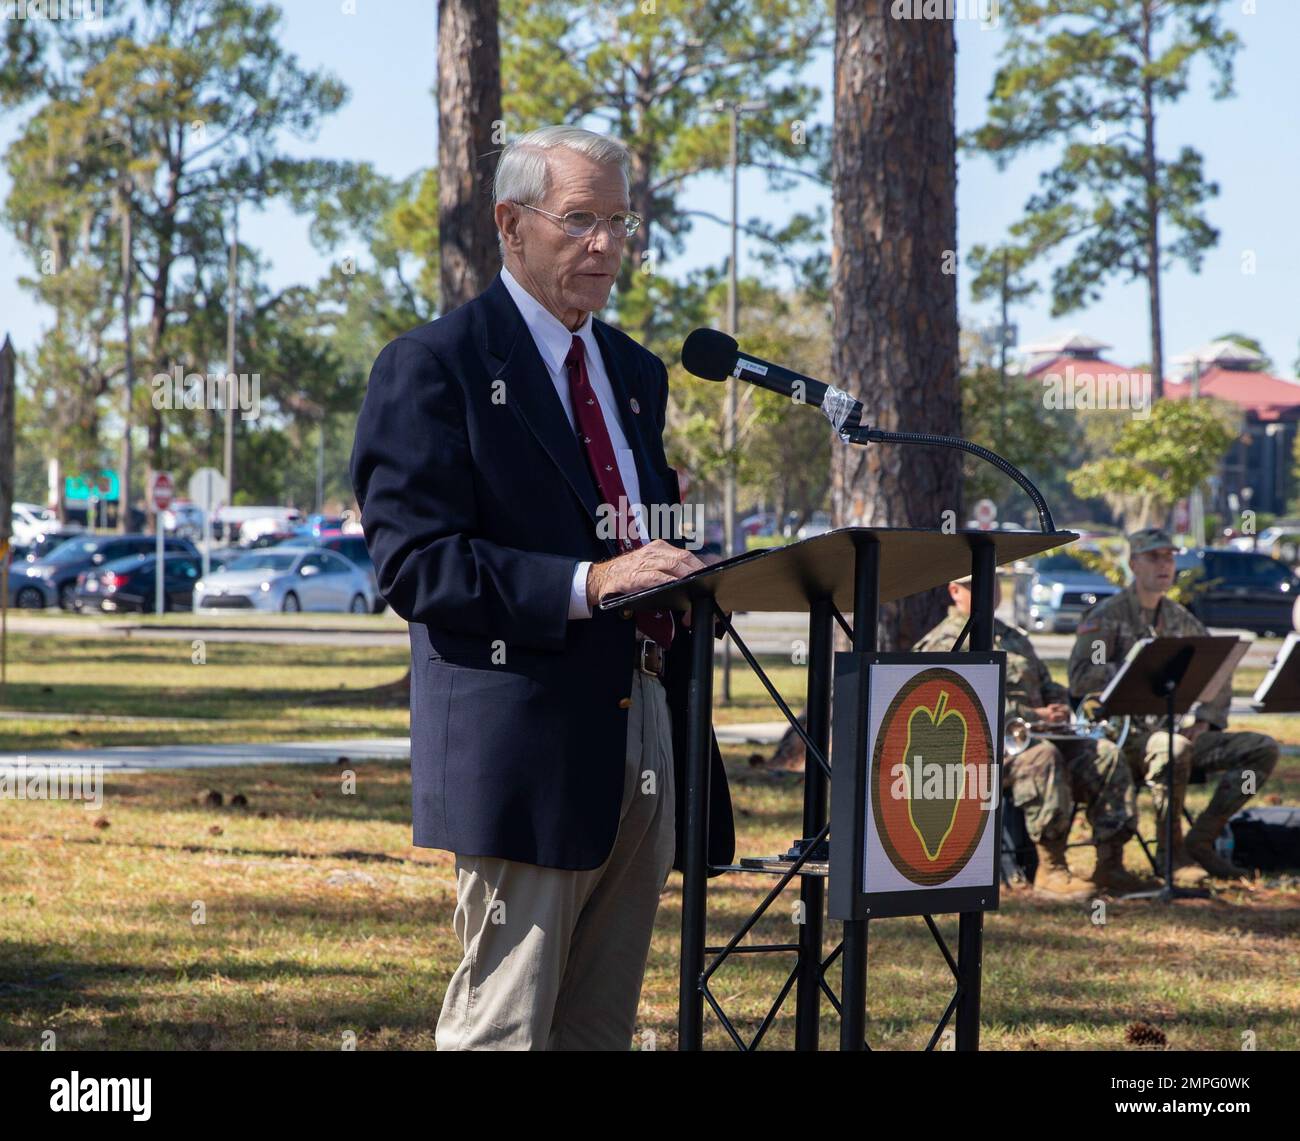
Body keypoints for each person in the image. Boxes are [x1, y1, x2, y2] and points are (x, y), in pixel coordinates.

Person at [349, 125, 735, 1050]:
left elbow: (630, 532)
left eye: (618, 220)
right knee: (507, 1026)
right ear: (510, 224)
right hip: (526, 746)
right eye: (579, 221)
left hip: (647, 721)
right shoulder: (434, 365)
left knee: (595, 1027)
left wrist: (676, 562)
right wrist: (591, 581)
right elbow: (415, 563)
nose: (604, 244)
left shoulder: (637, 373)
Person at [913, 575, 1149, 897]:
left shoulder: (1012, 637)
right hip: (979, 749)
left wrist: (1060, 705)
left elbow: (1045, 681)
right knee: (1043, 759)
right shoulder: (946, 642)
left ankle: (1110, 864)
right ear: (954, 591)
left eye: (992, 582)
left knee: (1105, 755)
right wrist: (1033, 717)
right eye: (976, 584)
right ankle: (1051, 869)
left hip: (1038, 737)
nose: (989, 589)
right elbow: (957, 705)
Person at [1068, 528, 1278, 883]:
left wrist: (1206, 720)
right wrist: (1129, 673)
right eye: (1154, 557)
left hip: (1174, 735)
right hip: (1125, 741)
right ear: (1134, 563)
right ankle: (1172, 855)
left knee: (1261, 749)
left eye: (1169, 557)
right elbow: (1080, 678)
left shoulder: (1181, 619)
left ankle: (1203, 838)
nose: (1165, 564)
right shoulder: (1107, 616)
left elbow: (1220, 668)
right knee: (1173, 747)